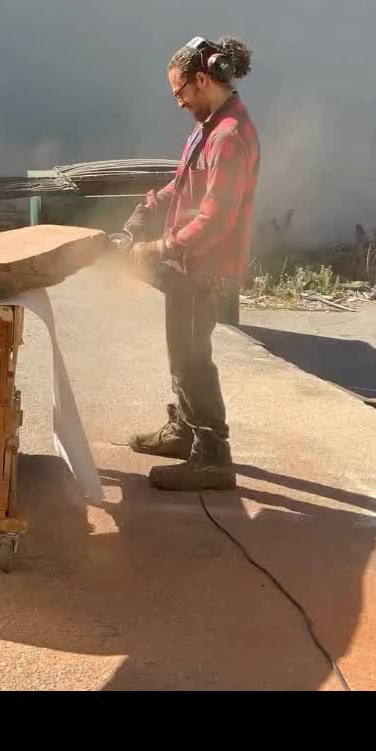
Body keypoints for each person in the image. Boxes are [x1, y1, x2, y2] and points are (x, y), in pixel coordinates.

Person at [125, 36, 260, 491]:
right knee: (180, 352)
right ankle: (185, 431)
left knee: (194, 358)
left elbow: (216, 217)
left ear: (202, 80)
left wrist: (162, 248)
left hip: (207, 269)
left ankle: (213, 456)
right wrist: (149, 207)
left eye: (180, 92)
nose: (179, 102)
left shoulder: (230, 136)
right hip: (189, 266)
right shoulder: (207, 128)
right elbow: (183, 186)